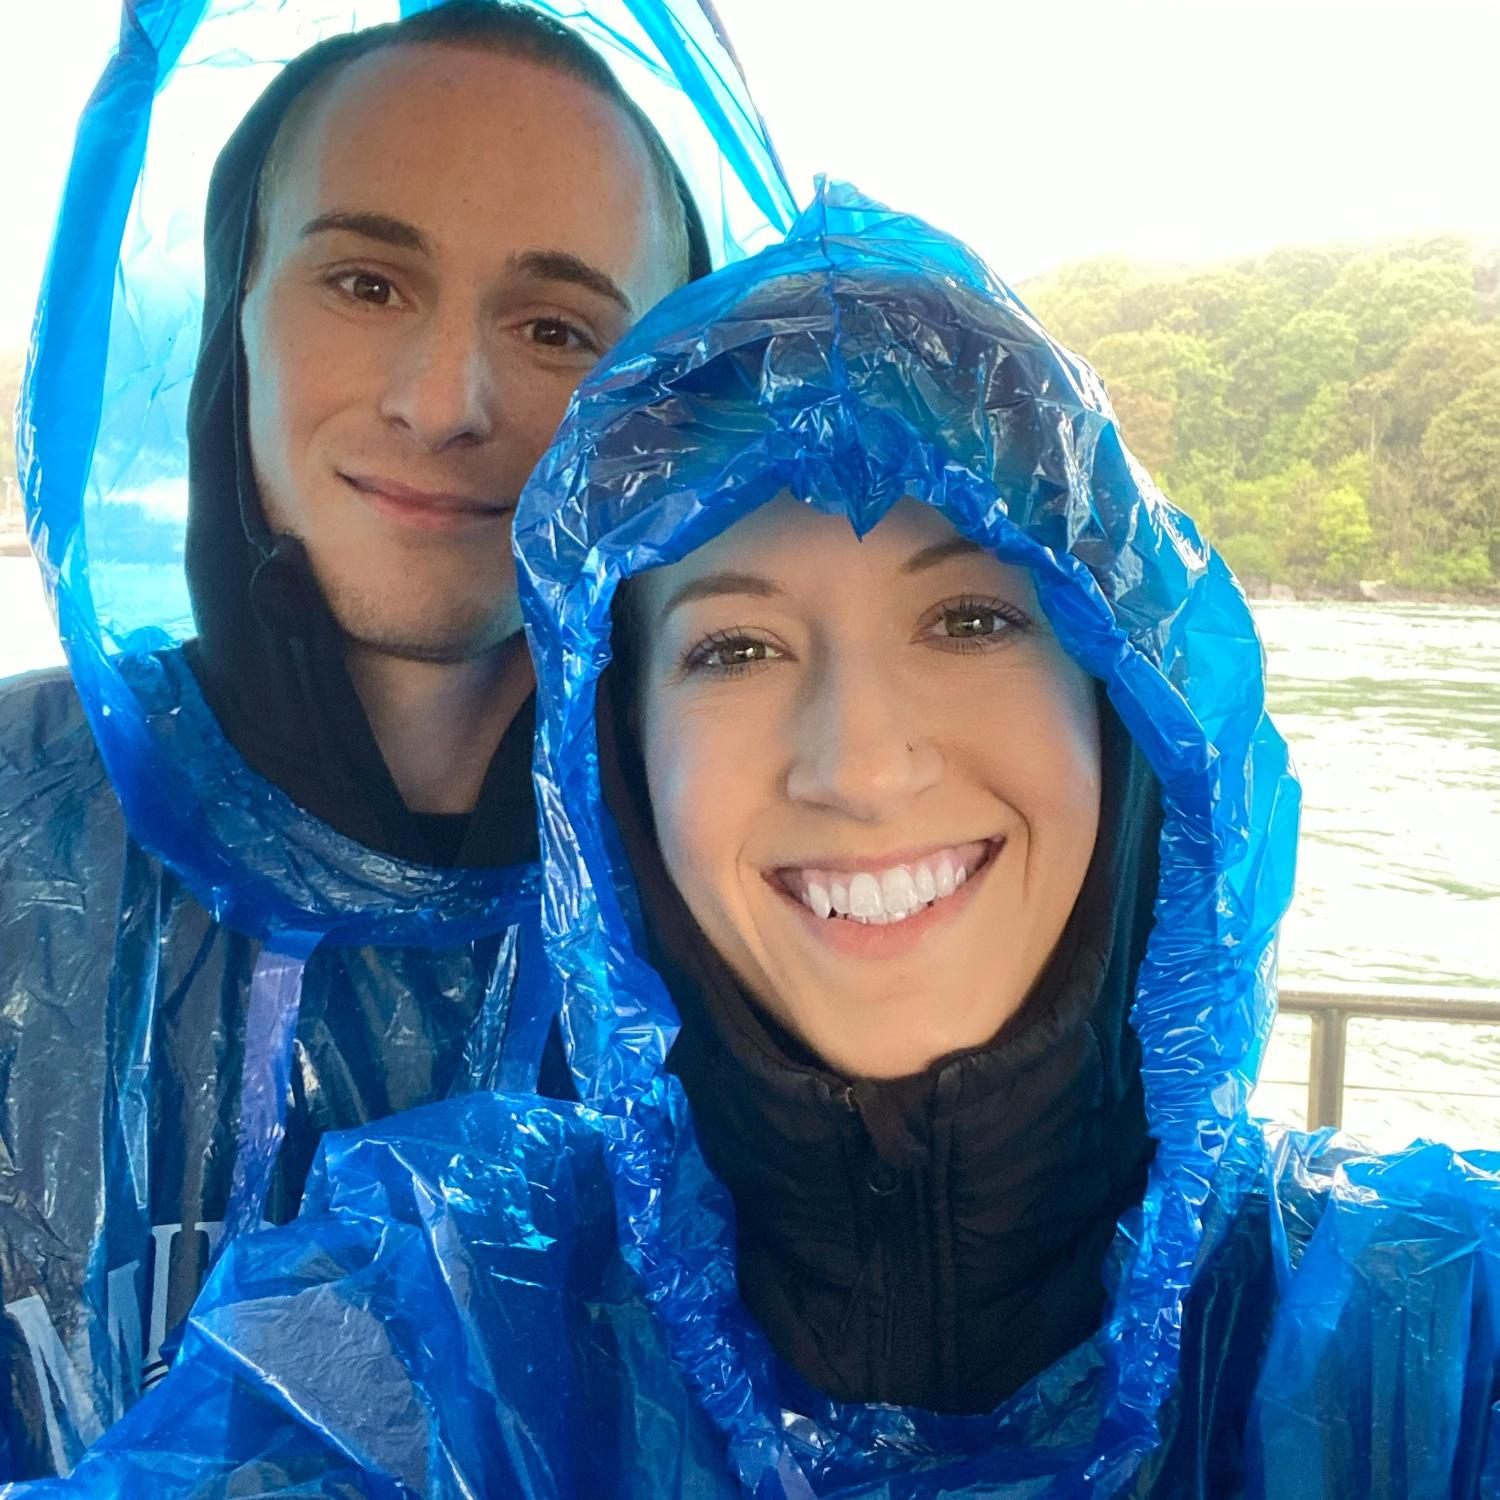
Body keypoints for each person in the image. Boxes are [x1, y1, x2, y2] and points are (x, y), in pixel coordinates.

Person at [10, 185, 1499, 1499]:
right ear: (618, 771)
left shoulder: (1422, 1328)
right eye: (733, 650)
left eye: (970, 618)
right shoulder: (443, 1313)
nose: (859, 764)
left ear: (1131, 709)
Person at [0, 0, 755, 1477]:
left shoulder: (767, 869)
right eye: (364, 280)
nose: (442, 403)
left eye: (555, 326)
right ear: (236, 312)